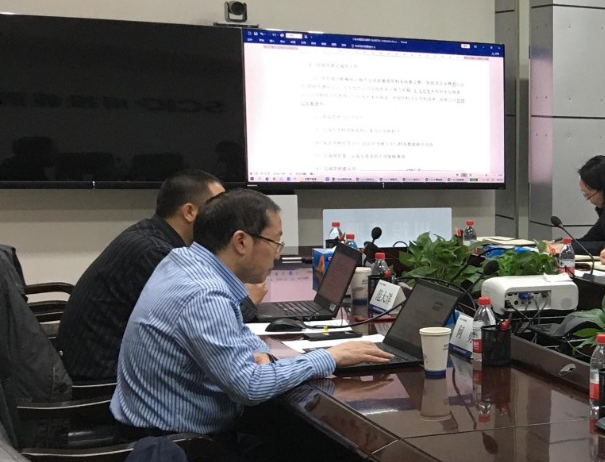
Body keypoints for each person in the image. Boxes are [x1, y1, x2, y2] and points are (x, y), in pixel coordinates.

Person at [111, 189, 392, 436]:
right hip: (178, 446)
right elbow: (250, 387)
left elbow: (236, 334)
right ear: (241, 241)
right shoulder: (205, 294)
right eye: (275, 242)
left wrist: (259, 353)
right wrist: (330, 357)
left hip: (158, 424)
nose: (278, 254)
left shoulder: (184, 261)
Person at [57, 170, 267, 381]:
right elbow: (205, 325)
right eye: (217, 208)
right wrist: (247, 302)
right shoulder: (156, 253)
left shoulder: (149, 235)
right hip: (101, 372)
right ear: (189, 212)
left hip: (93, 358)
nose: (227, 219)